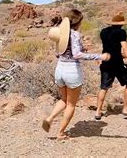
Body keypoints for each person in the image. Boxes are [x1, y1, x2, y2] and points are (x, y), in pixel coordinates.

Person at [42, 9, 111, 140]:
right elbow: (77, 54)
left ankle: (50, 118)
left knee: (63, 99)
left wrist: (80, 49)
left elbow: (58, 53)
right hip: (72, 71)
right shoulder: (75, 34)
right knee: (71, 104)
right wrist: (100, 56)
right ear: (78, 22)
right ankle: (61, 133)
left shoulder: (61, 33)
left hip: (60, 69)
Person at [95, 12, 127, 120]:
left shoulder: (103, 32)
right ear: (122, 24)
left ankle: (98, 112)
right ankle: (126, 108)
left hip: (106, 61)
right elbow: (125, 47)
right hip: (117, 63)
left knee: (104, 87)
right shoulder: (121, 32)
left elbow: (109, 46)